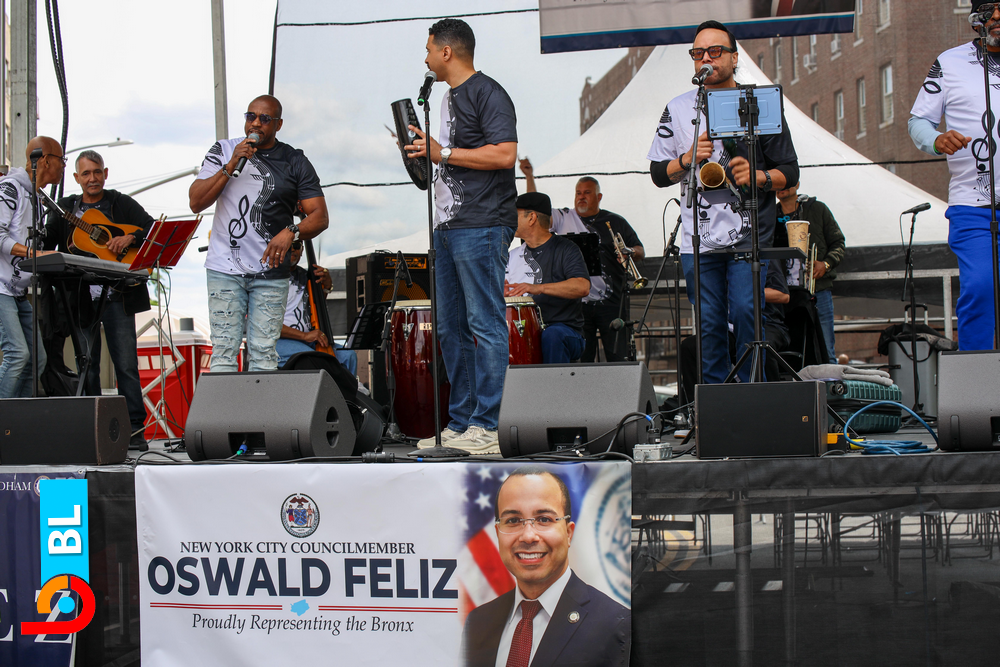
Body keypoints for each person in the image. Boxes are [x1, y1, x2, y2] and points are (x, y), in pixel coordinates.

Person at [647, 20, 799, 385]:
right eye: (698, 53)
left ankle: (752, 396)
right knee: (709, 323)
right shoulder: (678, 108)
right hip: (697, 239)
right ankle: (716, 402)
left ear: (734, 57)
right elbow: (657, 173)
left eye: (715, 51)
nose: (706, 59)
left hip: (749, 234)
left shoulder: (760, 103)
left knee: (746, 311)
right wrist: (686, 159)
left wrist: (759, 177)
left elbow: (790, 172)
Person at [405, 18, 518, 453]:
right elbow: (445, 158)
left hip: (483, 222)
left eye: (429, 49)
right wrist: (423, 154)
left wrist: (444, 152)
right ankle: (463, 421)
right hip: (448, 226)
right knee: (450, 327)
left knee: (484, 323)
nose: (426, 58)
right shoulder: (446, 98)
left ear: (447, 51)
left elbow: (505, 154)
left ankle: (489, 426)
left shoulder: (488, 92)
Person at [189, 94, 328, 371]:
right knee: (224, 353)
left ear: (278, 124)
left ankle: (260, 403)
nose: (255, 123)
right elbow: (196, 202)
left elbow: (319, 217)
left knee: (264, 356)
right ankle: (226, 402)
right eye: (250, 116)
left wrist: (291, 231)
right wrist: (230, 166)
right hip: (225, 269)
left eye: (264, 119)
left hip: (270, 273)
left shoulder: (294, 160)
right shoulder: (224, 150)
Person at [463, 466, 630, 667]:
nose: (528, 536)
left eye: (544, 519)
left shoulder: (615, 624)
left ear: (568, 533)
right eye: (513, 520)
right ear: (498, 533)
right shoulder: (478, 622)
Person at [43, 150, 155, 450]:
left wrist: (130, 238)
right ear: (76, 178)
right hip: (81, 298)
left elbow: (151, 226)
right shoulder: (66, 207)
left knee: (126, 365)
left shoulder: (119, 203)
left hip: (118, 295)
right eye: (86, 174)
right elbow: (47, 241)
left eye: (97, 172)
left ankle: (134, 431)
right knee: (87, 365)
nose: (92, 178)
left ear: (105, 173)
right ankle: (93, 432)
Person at [909, 0, 1000, 351]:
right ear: (976, 18)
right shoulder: (949, 62)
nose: (997, 16)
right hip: (973, 205)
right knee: (980, 287)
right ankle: (976, 378)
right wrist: (936, 139)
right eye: (990, 9)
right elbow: (919, 121)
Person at [519, 160, 644, 362]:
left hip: (611, 301)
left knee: (618, 355)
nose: (581, 197)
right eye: (578, 193)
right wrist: (529, 177)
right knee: (583, 360)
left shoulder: (616, 221)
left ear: (599, 197)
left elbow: (640, 250)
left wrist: (628, 252)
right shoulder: (563, 217)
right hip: (577, 305)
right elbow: (535, 211)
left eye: (587, 193)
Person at [0, 136, 63, 398]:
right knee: (18, 354)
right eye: (61, 160)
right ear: (45, 160)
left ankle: (18, 420)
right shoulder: (10, 188)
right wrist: (34, 254)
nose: (63, 166)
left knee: (37, 359)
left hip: (16, 292)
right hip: (1, 289)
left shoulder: (36, 197)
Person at [504, 193, 590, 363]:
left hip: (564, 330)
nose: (509, 220)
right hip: (523, 330)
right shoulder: (511, 256)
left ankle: (553, 382)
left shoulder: (567, 249)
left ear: (531, 218)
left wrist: (538, 288)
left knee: (552, 335)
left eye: (515, 215)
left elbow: (582, 287)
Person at [774, 183, 845, 363]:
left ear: (797, 183)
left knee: (826, 350)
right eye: (777, 183)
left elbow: (838, 243)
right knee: (790, 351)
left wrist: (826, 264)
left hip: (817, 290)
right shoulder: (770, 215)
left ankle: (828, 380)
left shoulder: (818, 209)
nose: (782, 187)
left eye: (786, 182)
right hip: (784, 295)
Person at [276, 240, 358, 375]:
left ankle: (344, 390)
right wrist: (305, 336)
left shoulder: (305, 276)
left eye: (296, 246)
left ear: (302, 250)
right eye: (289, 245)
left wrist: (326, 287)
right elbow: (267, 324)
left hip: (308, 341)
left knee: (348, 356)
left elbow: (315, 307)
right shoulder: (269, 278)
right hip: (278, 341)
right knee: (315, 359)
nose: (293, 249)